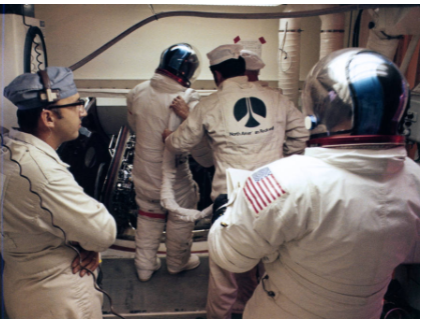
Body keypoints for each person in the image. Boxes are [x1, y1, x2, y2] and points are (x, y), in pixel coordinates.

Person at [208, 48, 419, 319]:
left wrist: (224, 210)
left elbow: (231, 256)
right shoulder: (416, 179)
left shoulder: (279, 182)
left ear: (323, 109)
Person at [164, 44, 309, 319]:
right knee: (271, 270)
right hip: (277, 197)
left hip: (233, 202)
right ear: (243, 71)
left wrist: (168, 138)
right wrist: (282, 158)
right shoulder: (276, 98)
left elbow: (181, 143)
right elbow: (301, 136)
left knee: (225, 275)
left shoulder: (210, 104)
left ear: (217, 75)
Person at [0, 67, 116, 318]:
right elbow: (104, 232)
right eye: (76, 104)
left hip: (21, 285)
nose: (82, 111)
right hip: (61, 297)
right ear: (49, 118)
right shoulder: (42, 174)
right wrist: (90, 244)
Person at [126, 43, 205, 282]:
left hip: (144, 172)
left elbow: (134, 127)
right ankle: (177, 263)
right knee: (181, 216)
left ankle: (144, 266)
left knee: (149, 213)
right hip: (174, 176)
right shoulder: (189, 99)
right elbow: (199, 144)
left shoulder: (137, 91)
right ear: (189, 71)